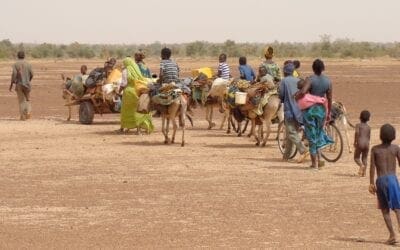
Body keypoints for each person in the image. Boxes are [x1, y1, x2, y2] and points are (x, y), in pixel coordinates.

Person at [295, 59, 333, 170]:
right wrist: (329, 112)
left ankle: (314, 164)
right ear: (323, 68)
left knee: (311, 136)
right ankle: (320, 159)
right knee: (318, 133)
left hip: (310, 111)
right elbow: (329, 98)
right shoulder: (328, 81)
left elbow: (302, 92)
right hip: (321, 110)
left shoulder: (310, 80)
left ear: (313, 68)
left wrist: (296, 97)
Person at [369, 124, 400, 245]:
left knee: (385, 209)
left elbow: (372, 167)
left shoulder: (375, 149)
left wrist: (371, 183)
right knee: (397, 208)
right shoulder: (396, 148)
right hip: (393, 180)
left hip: (381, 180)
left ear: (381, 135)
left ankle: (392, 234)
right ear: (393, 136)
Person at [279, 62, 308, 162]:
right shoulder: (298, 80)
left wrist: (283, 99)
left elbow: (281, 95)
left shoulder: (284, 81)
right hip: (300, 110)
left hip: (290, 110)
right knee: (291, 133)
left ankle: (303, 150)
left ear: (285, 72)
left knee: (291, 133)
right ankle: (286, 157)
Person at [119, 57, 154, 133]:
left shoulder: (125, 71)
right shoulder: (136, 70)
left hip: (128, 92)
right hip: (137, 91)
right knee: (138, 110)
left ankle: (124, 127)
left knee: (127, 111)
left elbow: (124, 84)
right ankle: (140, 128)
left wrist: (119, 91)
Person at [9, 51, 33, 120]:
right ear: (24, 56)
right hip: (27, 85)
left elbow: (14, 74)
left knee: (21, 100)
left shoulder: (15, 64)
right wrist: (28, 80)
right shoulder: (29, 64)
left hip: (19, 84)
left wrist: (11, 84)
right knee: (28, 99)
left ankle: (23, 116)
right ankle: (28, 112)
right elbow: (32, 74)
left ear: (17, 56)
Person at [354, 110, 371, 177]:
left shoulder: (358, 125)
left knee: (356, 157)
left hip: (360, 143)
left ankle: (361, 166)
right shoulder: (369, 127)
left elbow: (357, 133)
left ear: (360, 117)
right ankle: (364, 173)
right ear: (368, 119)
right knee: (365, 158)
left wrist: (355, 141)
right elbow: (369, 136)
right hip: (367, 144)